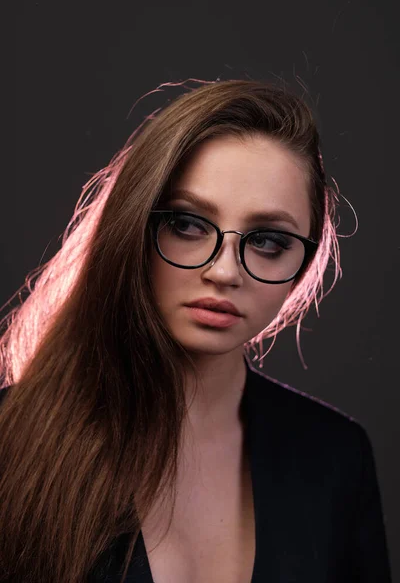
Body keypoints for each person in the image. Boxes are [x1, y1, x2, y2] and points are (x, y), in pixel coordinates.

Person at [0, 79, 391, 583]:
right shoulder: (10, 439)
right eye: (187, 225)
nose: (225, 272)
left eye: (268, 240)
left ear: (304, 261)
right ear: (133, 228)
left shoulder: (336, 458)